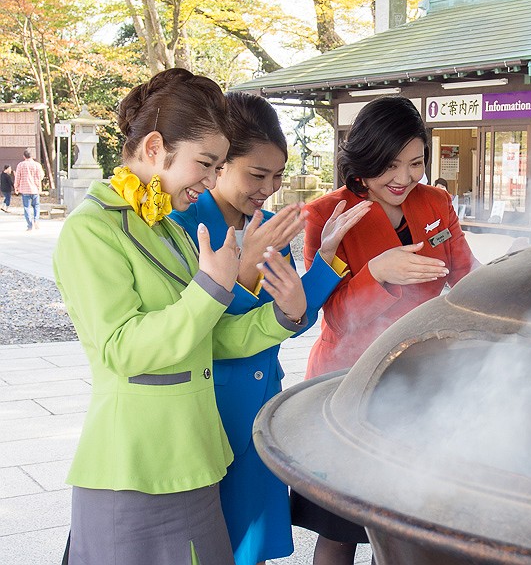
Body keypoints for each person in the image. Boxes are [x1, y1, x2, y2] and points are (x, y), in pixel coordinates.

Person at [53, 68, 309, 565]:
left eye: (217, 167)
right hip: (131, 469)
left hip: (197, 460)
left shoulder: (167, 229)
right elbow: (123, 349)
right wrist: (213, 285)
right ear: (154, 149)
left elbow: (210, 337)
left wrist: (283, 315)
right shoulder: (90, 230)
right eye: (206, 164)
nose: (213, 180)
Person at [169, 91, 370, 565]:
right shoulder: (183, 224)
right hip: (212, 407)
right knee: (214, 542)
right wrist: (241, 273)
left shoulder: (262, 224)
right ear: (218, 166)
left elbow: (285, 322)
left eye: (277, 175)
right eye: (256, 175)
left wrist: (323, 262)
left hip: (261, 408)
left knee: (253, 542)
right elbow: (193, 329)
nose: (268, 187)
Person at [294, 95, 480, 565]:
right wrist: (377, 273)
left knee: (402, 519)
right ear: (364, 161)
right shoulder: (326, 214)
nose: (403, 179)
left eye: (415, 163)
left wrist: (509, 275)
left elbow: (466, 276)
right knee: (339, 527)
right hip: (348, 379)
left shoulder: (435, 201)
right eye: (388, 166)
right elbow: (331, 313)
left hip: (420, 376)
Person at [14, 149, 44, 230]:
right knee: (36, 206)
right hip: (35, 189)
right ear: (32, 156)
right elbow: (41, 176)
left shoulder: (21, 165)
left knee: (26, 207)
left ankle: (30, 225)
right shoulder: (37, 165)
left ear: (24, 156)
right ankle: (36, 221)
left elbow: (17, 177)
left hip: (25, 189)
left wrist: (16, 187)